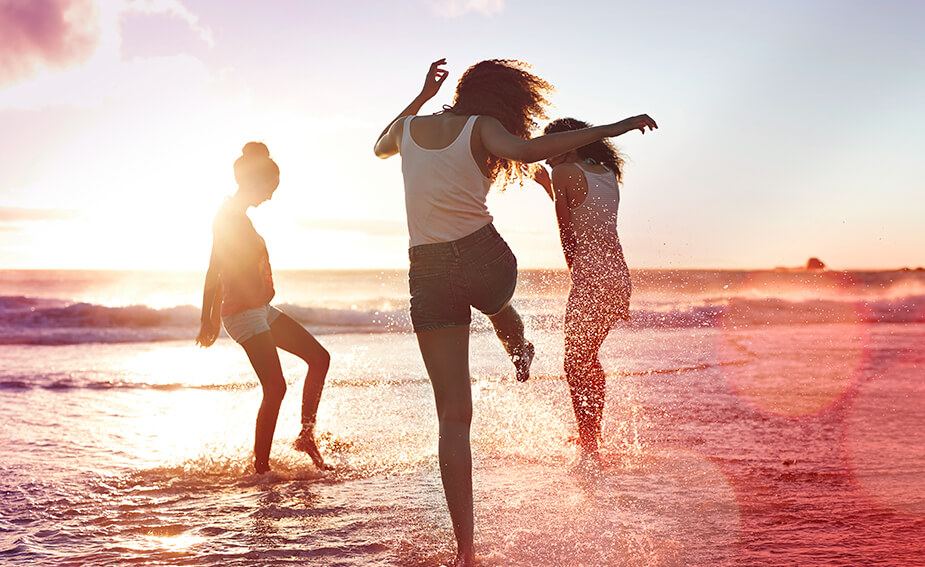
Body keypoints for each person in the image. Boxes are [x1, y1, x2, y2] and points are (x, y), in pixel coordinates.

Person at [373, 58, 657, 566]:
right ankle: (517, 340)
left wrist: (419, 95)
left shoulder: (410, 128)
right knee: (496, 300)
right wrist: (615, 127)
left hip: (428, 274)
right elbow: (532, 152)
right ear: (506, 101)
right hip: (487, 260)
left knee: (453, 419)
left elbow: (379, 147)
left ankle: (466, 553)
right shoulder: (484, 128)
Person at [196, 142, 331, 475]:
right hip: (242, 312)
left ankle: (305, 436)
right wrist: (207, 319)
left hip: (259, 309)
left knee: (319, 358)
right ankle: (261, 469)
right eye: (270, 189)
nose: (271, 197)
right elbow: (214, 270)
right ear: (254, 183)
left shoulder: (238, 216)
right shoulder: (228, 217)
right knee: (276, 387)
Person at [534, 118, 644, 457]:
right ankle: (590, 433)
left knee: (574, 361)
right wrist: (548, 189)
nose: (545, 154)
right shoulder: (606, 174)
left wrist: (577, 277)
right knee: (586, 357)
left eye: (551, 147)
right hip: (617, 276)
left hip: (593, 276)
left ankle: (589, 440)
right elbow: (588, 212)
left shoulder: (562, 174)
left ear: (572, 144)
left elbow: (569, 234)